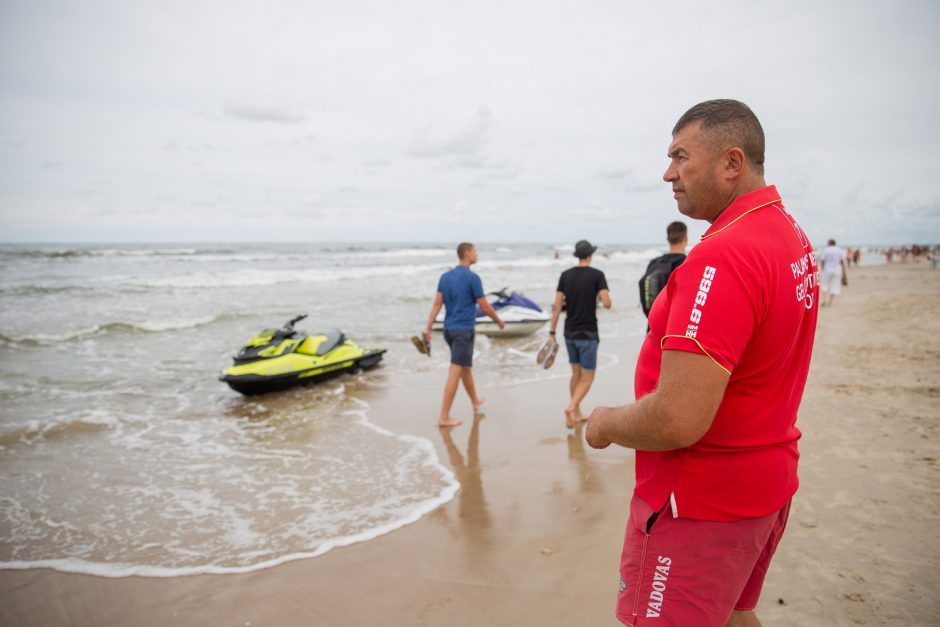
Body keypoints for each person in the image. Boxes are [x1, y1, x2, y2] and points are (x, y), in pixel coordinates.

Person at [585, 100, 819, 627]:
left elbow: (678, 419)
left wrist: (606, 424)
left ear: (731, 163)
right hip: (763, 482)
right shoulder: (787, 233)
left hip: (698, 502)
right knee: (734, 616)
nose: (668, 173)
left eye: (680, 157)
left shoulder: (723, 256)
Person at [423, 243, 504, 428]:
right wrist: (498, 320)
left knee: (465, 367)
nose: (477, 254)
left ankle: (475, 401)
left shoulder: (445, 277)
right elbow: (483, 305)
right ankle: (444, 417)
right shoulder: (473, 278)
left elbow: (437, 304)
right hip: (463, 331)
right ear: (467, 254)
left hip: (449, 330)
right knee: (455, 372)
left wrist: (428, 327)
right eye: (475, 251)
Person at [548, 239, 612, 428]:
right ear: (590, 255)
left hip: (569, 333)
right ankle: (571, 407)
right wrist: (603, 297)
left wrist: (552, 331)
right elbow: (607, 303)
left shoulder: (565, 276)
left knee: (575, 373)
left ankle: (576, 413)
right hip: (588, 333)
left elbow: (557, 306)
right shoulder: (597, 275)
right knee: (588, 376)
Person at [638, 221, 688, 319]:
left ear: (667, 239)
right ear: (686, 238)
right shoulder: (686, 262)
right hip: (674, 325)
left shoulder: (654, 262)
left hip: (653, 326)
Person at [819, 239, 847, 307]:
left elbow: (822, 260)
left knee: (824, 285)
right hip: (837, 270)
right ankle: (830, 302)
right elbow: (842, 262)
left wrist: (822, 269)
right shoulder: (839, 250)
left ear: (830, 243)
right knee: (835, 286)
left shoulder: (826, 250)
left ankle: (825, 300)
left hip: (827, 270)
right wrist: (844, 272)